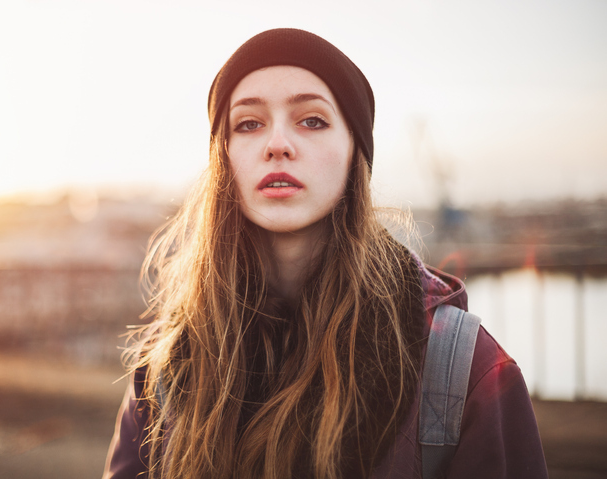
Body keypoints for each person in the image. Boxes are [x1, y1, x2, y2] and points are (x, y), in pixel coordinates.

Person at [103, 28, 548, 479]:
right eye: (249, 124)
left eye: (312, 120)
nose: (278, 144)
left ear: (356, 152)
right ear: (224, 159)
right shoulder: (168, 365)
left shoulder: (461, 367)